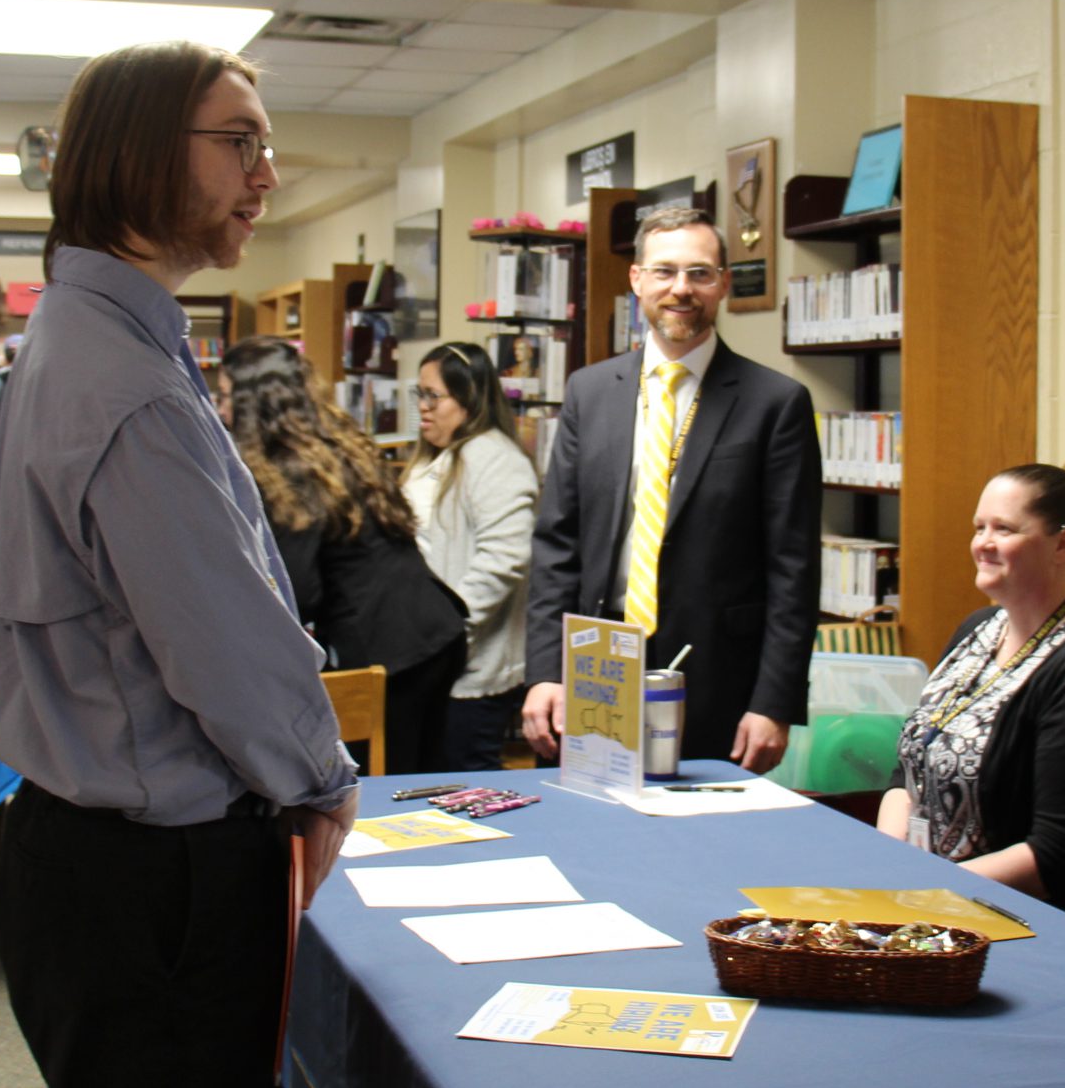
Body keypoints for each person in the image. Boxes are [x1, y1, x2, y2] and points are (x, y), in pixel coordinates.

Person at [0, 41, 358, 1088]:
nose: (265, 169)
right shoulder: (128, 381)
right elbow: (229, 651)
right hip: (158, 886)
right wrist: (322, 782)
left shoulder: (91, 336)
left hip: (87, 859)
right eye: (237, 140)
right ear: (141, 152)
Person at [522, 205, 818, 769]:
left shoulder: (774, 404)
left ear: (724, 284)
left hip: (717, 682)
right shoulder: (589, 392)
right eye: (664, 271)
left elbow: (793, 568)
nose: (681, 289)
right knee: (587, 838)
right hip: (593, 671)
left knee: (702, 849)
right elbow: (556, 546)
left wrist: (774, 702)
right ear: (636, 280)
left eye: (700, 273)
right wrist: (543, 673)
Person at [873, 465, 1065, 923]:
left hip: (1027, 926)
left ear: (1064, 544)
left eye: (1004, 529)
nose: (983, 543)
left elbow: (1058, 856)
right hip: (929, 905)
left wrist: (924, 894)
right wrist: (891, 866)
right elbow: (907, 773)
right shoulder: (978, 628)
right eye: (979, 528)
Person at [220, 336, 467, 773]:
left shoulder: (289, 470)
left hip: (391, 647)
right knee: (428, 775)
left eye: (224, 397)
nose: (219, 411)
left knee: (390, 790)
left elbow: (299, 589)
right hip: (435, 627)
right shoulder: (336, 443)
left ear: (251, 402)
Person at [402, 341, 539, 771]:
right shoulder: (437, 457)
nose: (423, 407)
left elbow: (504, 559)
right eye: (418, 395)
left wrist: (447, 629)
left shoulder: (494, 457)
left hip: (468, 667)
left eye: (433, 396)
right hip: (431, 662)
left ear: (469, 397)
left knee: (469, 784)